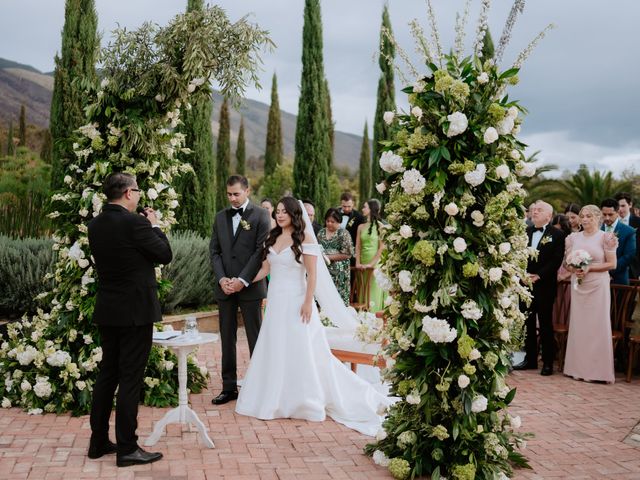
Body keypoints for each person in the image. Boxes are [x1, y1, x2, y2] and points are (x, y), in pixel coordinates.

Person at [235, 197, 393, 435]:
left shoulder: (305, 238)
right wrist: (242, 281)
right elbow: (266, 269)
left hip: (297, 301)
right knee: (276, 346)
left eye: (284, 212)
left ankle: (303, 399)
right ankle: (273, 396)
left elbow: (312, 274)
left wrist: (309, 302)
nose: (279, 215)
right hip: (276, 302)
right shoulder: (273, 237)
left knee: (300, 348)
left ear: (294, 214)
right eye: (277, 211)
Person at [87, 173, 171, 467]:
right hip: (135, 311)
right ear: (126, 194)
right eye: (137, 190)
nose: (139, 194)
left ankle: (97, 442)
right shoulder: (136, 223)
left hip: (108, 309)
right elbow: (164, 254)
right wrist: (156, 225)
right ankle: (127, 448)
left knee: (107, 374)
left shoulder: (94, 225)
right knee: (130, 378)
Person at [209, 175, 271, 405]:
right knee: (226, 337)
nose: (232, 198)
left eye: (236, 194)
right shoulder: (220, 217)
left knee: (256, 338)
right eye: (229, 194)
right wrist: (222, 279)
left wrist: (242, 280)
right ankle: (228, 387)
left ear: (248, 191)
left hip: (251, 287)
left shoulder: (262, 215)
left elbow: (260, 252)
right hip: (225, 288)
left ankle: (260, 385)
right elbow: (214, 251)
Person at [563, 205, 618, 383]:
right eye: (582, 216)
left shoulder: (606, 237)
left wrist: (589, 268)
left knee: (597, 326)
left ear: (597, 218)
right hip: (578, 285)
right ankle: (576, 368)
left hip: (597, 285)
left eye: (588, 216)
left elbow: (612, 264)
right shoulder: (573, 238)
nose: (584, 219)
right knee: (579, 326)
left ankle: (598, 372)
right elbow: (566, 264)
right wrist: (575, 268)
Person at [514, 200, 565, 376]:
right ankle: (530, 359)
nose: (534, 212)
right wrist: (522, 274)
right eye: (533, 209)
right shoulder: (524, 232)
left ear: (548, 216)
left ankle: (548, 363)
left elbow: (556, 260)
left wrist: (538, 275)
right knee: (527, 323)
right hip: (525, 285)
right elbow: (518, 255)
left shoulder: (557, 235)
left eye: (539, 210)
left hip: (544, 285)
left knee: (545, 324)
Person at [317, 208, 354, 305]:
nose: (329, 223)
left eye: (332, 222)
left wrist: (329, 257)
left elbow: (348, 254)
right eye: (327, 221)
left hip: (339, 274)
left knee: (337, 300)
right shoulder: (321, 233)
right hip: (324, 271)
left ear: (339, 222)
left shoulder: (344, 234)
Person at [355, 199, 386, 312]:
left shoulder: (380, 226)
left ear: (371, 209)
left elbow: (381, 248)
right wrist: (358, 262)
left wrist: (371, 264)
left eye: (365, 207)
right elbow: (358, 246)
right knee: (363, 289)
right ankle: (363, 317)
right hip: (362, 263)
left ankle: (374, 317)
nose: (362, 209)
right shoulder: (360, 227)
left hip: (375, 263)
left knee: (373, 290)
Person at [600, 198, 636, 285]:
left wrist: (608, 270)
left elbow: (628, 256)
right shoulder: (597, 229)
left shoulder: (629, 231)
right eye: (604, 214)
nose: (607, 218)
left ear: (617, 212)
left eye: (610, 214)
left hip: (618, 280)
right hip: (598, 279)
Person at [614, 192, 640, 279]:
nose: (620, 209)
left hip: (634, 270)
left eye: (623, 206)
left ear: (630, 205)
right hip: (614, 269)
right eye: (618, 206)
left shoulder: (638, 222)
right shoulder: (610, 223)